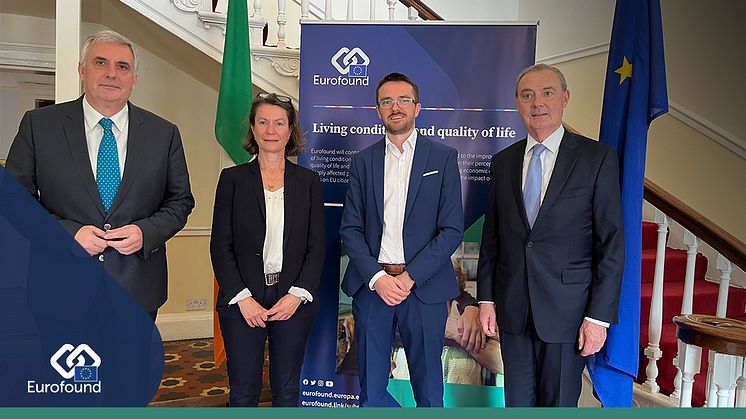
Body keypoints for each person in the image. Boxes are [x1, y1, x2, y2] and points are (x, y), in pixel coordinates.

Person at [6, 30, 194, 320]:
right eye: (100, 63)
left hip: (137, 290)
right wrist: (67, 234)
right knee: (79, 368)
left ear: (134, 79)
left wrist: (146, 232)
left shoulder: (163, 134)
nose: (111, 74)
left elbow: (180, 201)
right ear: (82, 70)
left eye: (122, 67)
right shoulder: (40, 125)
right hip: (61, 287)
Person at [476, 63, 625, 407]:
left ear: (564, 98)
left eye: (547, 93)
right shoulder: (503, 161)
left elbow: (611, 245)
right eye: (527, 95)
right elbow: (493, 239)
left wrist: (597, 318)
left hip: (568, 315)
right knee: (518, 404)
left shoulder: (596, 158)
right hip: (513, 313)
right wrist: (486, 299)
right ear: (517, 103)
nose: (537, 103)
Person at [339, 72, 464, 407]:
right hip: (373, 286)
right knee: (372, 389)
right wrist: (379, 279)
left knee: (428, 389)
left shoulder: (442, 158)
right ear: (377, 110)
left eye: (403, 100)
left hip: (423, 288)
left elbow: (451, 229)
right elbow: (350, 229)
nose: (395, 107)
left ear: (417, 107)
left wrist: (409, 278)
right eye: (386, 101)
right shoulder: (363, 162)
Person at [210, 93, 325, 407]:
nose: (271, 130)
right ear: (253, 128)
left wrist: (296, 294)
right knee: (244, 393)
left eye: (279, 123)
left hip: (292, 299)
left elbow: (317, 246)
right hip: (242, 301)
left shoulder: (308, 181)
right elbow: (220, 246)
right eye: (263, 122)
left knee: (286, 391)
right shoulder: (231, 180)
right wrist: (242, 299)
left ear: (290, 131)